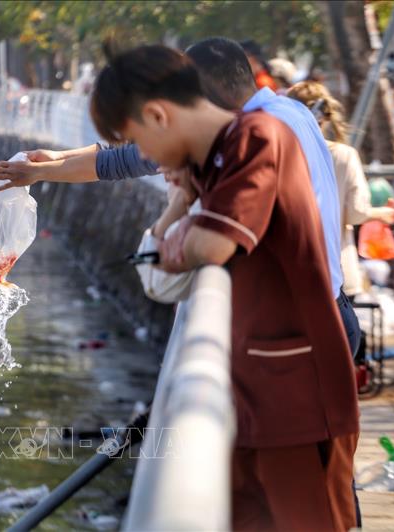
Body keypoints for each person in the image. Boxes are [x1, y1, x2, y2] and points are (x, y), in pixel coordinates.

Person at [90, 43, 359, 531]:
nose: (145, 157)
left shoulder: (256, 137)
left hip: (299, 398)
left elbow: (211, 247)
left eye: (136, 140)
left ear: (157, 114)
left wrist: (180, 234)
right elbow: (162, 270)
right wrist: (179, 222)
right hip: (253, 396)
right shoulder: (211, 159)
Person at [0, 37, 360, 358]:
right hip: (324, 311)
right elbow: (131, 157)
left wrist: (173, 216)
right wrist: (52, 164)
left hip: (299, 335)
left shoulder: (251, 137)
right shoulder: (286, 112)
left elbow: (179, 263)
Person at [287, 81, 394, 298]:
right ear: (325, 116)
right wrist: (384, 214)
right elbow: (356, 212)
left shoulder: (280, 151)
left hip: (292, 270)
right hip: (336, 268)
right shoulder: (343, 155)